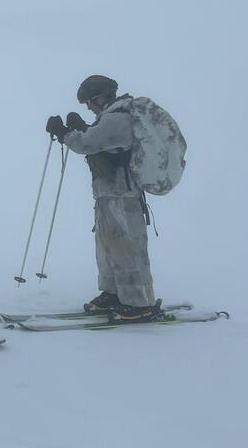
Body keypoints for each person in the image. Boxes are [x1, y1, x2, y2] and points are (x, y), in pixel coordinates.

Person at [45, 74, 161, 322]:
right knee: (108, 247)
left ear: (103, 96)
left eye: (90, 100)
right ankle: (113, 293)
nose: (89, 106)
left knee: (126, 247)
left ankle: (139, 303)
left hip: (123, 195)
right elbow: (99, 142)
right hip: (108, 194)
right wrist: (79, 128)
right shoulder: (109, 118)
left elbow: (89, 143)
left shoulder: (119, 117)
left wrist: (67, 133)